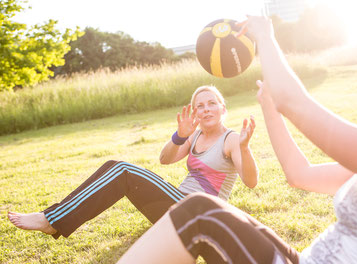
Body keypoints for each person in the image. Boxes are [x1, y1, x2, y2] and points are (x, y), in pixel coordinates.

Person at [81, 17, 357, 264]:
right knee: (209, 211)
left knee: (199, 213)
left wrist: (266, 36)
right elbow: (300, 175)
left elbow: (298, 102)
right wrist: (272, 111)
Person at [8, 85, 258, 239]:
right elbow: (164, 160)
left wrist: (244, 148)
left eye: (212, 103)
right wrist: (180, 135)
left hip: (201, 214)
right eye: (199, 106)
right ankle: (55, 219)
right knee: (113, 166)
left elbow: (251, 182)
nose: (205, 109)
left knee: (123, 169)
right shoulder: (195, 135)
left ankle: (52, 220)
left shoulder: (232, 139)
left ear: (223, 108)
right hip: (177, 205)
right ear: (194, 113)